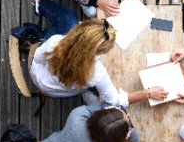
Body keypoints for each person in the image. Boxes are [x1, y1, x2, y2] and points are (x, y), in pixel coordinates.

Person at [29, 18, 167, 106]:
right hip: (57, 90)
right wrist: (147, 93)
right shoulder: (95, 74)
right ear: (98, 51)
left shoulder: (55, 42)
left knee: (67, 17)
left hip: (39, 76)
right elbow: (115, 100)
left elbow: (37, 59)